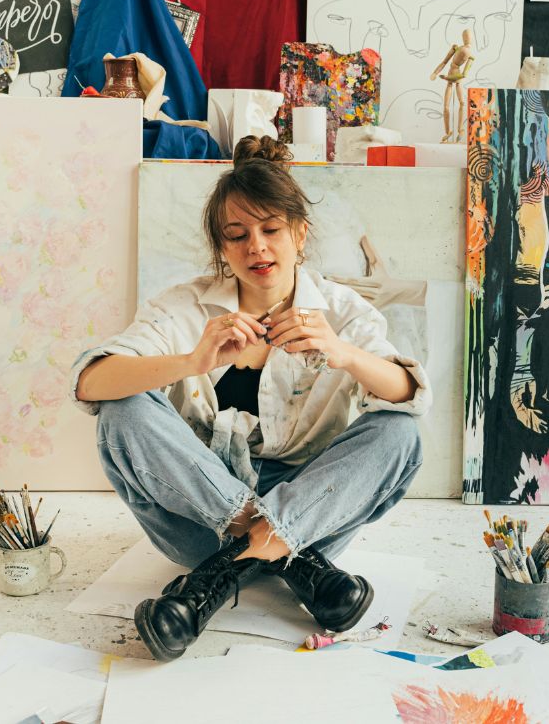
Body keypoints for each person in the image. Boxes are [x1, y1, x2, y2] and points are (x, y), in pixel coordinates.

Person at [71, 136, 430, 661]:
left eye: (270, 230)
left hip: (312, 514)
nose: (255, 247)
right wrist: (193, 361)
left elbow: (407, 394)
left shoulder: (341, 311)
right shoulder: (186, 307)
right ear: (221, 247)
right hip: (200, 519)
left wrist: (342, 352)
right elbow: (90, 381)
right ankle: (290, 562)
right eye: (236, 235)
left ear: (300, 234)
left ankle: (213, 584)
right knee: (124, 408)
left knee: (400, 431)